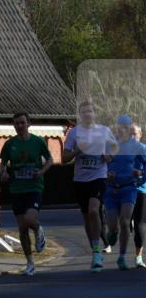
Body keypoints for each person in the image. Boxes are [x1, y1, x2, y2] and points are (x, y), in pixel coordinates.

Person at [61, 101, 118, 271]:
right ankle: (95, 252)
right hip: (80, 180)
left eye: (90, 111)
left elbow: (114, 147)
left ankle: (98, 252)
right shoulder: (74, 133)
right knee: (87, 217)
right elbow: (64, 158)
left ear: (95, 114)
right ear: (80, 115)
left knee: (94, 210)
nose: (87, 114)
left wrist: (108, 156)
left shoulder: (104, 130)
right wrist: (77, 150)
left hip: (98, 177)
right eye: (84, 112)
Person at [0, 112, 53, 276]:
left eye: (22, 123)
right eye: (16, 123)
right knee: (22, 228)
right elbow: (2, 164)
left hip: (34, 187)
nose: (19, 126)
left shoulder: (38, 142)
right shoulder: (9, 144)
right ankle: (29, 262)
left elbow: (50, 160)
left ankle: (38, 230)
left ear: (29, 124)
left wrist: (41, 171)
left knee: (30, 219)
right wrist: (3, 174)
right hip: (16, 189)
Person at [102, 115, 146, 271]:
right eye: (120, 126)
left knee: (126, 221)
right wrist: (106, 173)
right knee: (113, 224)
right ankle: (112, 232)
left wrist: (140, 177)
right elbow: (102, 166)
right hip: (111, 189)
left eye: (125, 126)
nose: (122, 129)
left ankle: (121, 257)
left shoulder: (138, 147)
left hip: (129, 189)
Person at [132, 123, 146, 269]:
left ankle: (138, 257)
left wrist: (140, 173)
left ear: (140, 135)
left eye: (134, 134)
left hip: (141, 190)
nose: (132, 137)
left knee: (139, 223)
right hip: (122, 190)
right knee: (122, 222)